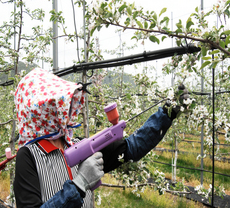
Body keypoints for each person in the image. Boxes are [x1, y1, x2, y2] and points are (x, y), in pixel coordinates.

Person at [13, 68, 189, 208]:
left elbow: (132, 147)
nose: (65, 110)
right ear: (43, 111)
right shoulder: (28, 156)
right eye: (57, 105)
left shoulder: (78, 147)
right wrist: (80, 183)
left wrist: (167, 114)